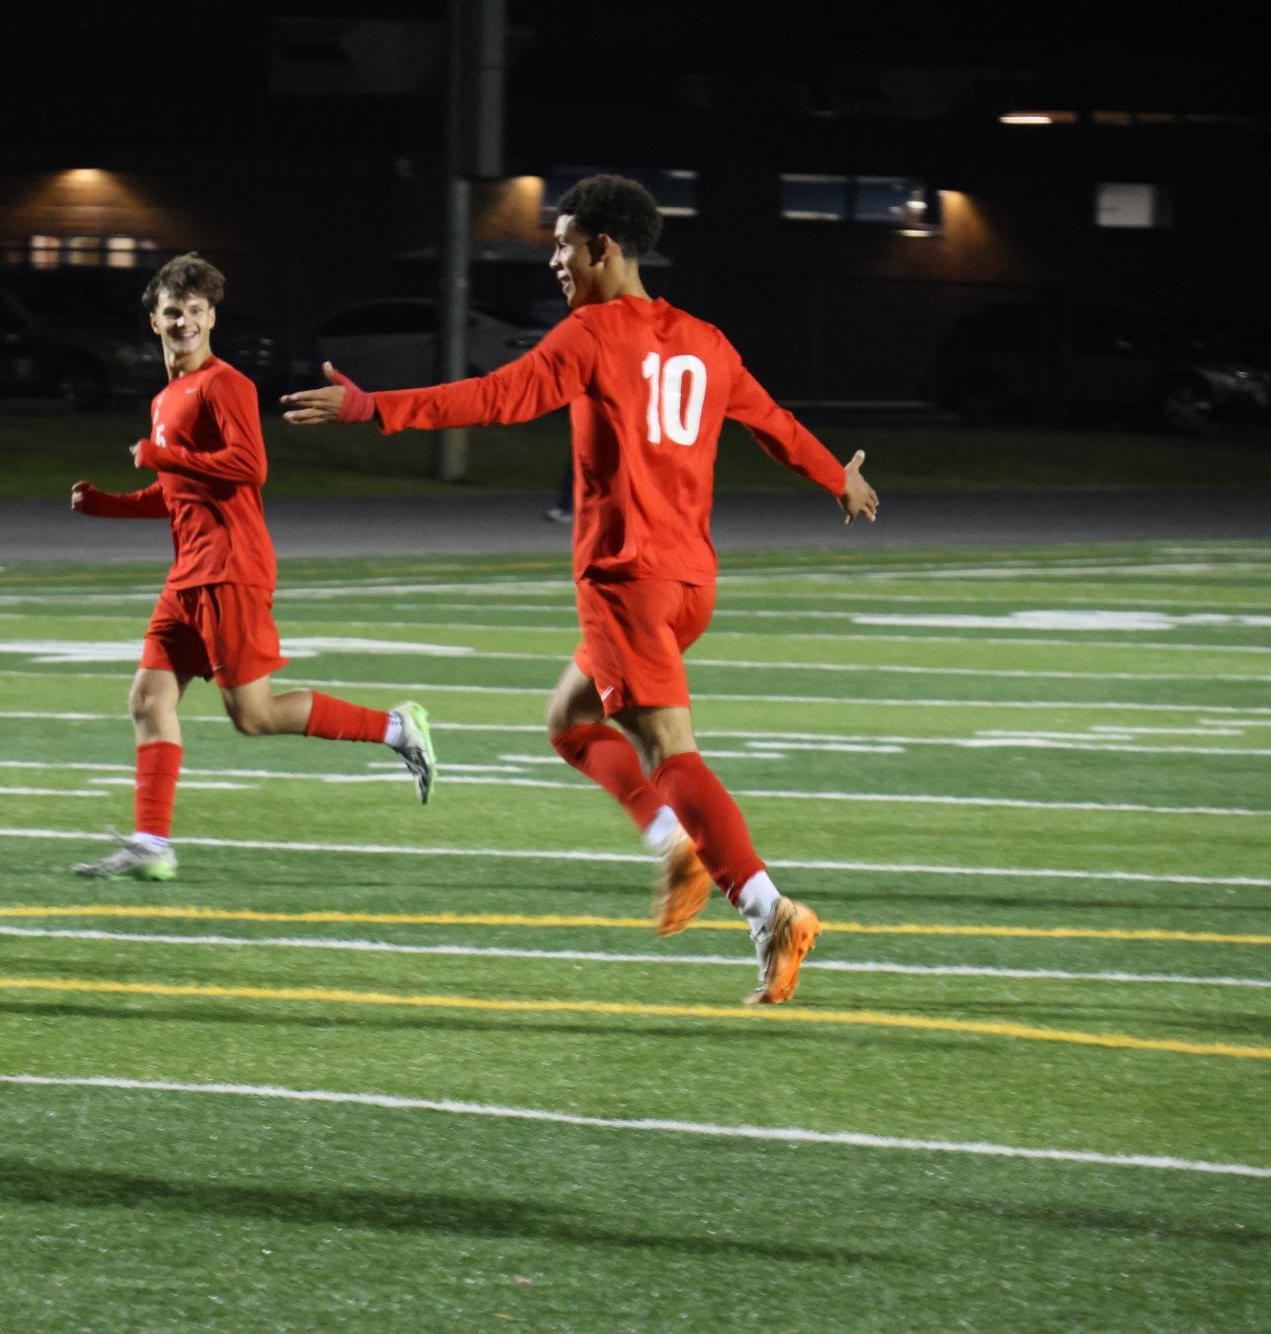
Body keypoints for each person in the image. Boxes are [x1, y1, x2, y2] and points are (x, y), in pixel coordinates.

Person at [282, 174, 880, 1005]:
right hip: (689, 583)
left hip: (627, 580)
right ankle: (674, 843)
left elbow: (491, 399)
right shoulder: (704, 339)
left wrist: (366, 407)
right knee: (569, 721)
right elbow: (772, 423)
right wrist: (835, 480)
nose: (554, 261)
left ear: (602, 246)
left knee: (671, 754)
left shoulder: (590, 335)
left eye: (562, 245)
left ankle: (766, 907)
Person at [68, 252, 438, 881]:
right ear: (154, 322)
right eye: (171, 312)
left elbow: (249, 467)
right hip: (188, 576)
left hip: (231, 570)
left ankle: (398, 728)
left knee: (254, 716)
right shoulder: (166, 397)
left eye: (193, 310)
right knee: (148, 699)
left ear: (211, 316)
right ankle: (152, 845)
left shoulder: (225, 385)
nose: (183, 320)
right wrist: (108, 505)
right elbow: (178, 492)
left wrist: (162, 454)